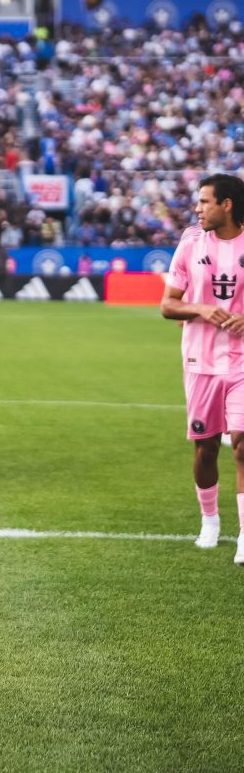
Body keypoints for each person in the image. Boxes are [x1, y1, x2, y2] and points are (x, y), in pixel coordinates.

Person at [161, 173, 244, 566]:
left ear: (227, 204)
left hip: (242, 362)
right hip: (200, 361)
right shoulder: (190, 243)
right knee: (206, 446)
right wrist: (201, 308)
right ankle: (209, 521)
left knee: (242, 443)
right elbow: (168, 306)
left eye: (205, 202)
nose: (198, 209)